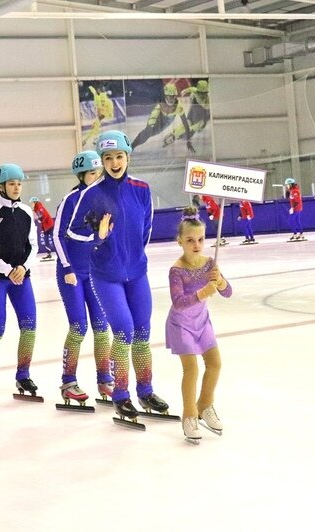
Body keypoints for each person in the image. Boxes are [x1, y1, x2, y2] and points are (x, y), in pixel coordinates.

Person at [69, 130, 171, 424]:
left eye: (119, 156)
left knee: (142, 331)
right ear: (101, 161)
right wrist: (96, 236)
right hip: (106, 275)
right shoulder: (92, 193)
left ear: (128, 157)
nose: (115, 162)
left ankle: (146, 391)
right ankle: (121, 395)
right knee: (123, 330)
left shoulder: (141, 188)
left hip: (137, 272)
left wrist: (134, 254)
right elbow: (73, 232)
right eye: (108, 158)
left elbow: (146, 229)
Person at [0, 163, 39, 405]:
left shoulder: (26, 212)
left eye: (19, 183)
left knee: (30, 325)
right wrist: (9, 270)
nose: (16, 187)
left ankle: (23, 375)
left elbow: (33, 245)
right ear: (1, 186)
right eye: (11, 183)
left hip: (21, 277)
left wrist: (23, 268)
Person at [166, 206, 231, 443]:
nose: (197, 244)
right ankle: (189, 415)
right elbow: (178, 302)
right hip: (181, 324)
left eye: (201, 239)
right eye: (190, 240)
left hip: (202, 323)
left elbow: (228, 292)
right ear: (180, 242)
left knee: (215, 363)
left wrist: (221, 281)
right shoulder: (177, 270)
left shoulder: (208, 263)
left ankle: (204, 405)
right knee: (191, 369)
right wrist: (203, 292)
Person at [53, 150, 113, 407]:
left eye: (100, 173)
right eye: (92, 173)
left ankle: (105, 379)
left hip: (94, 273)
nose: (98, 177)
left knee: (102, 327)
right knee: (79, 326)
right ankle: (68, 382)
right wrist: (67, 268)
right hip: (72, 273)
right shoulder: (70, 199)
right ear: (81, 175)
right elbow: (56, 236)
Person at [132, 82, 194, 153]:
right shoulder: (160, 103)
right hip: (159, 114)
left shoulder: (179, 107)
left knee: (150, 133)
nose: (172, 99)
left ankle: (132, 146)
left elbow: (185, 124)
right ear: (165, 96)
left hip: (166, 121)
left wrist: (189, 141)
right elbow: (154, 114)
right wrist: (149, 127)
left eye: (174, 96)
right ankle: (132, 146)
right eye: (170, 97)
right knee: (147, 132)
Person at [165, 79, 210, 146]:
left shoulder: (203, 96)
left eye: (204, 93)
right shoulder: (196, 92)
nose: (202, 95)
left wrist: (190, 93)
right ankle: (174, 135)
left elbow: (206, 107)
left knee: (190, 126)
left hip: (199, 115)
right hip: (195, 112)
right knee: (189, 124)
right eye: (200, 93)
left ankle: (176, 135)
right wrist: (185, 91)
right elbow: (191, 89)